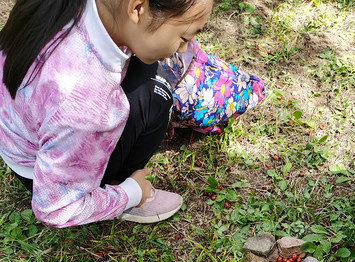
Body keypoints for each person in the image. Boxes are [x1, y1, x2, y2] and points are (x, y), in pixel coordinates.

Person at [0, 0, 213, 228]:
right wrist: (129, 193)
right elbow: (55, 208)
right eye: (184, 38)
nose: (183, 49)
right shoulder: (84, 103)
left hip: (17, 130)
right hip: (41, 169)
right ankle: (116, 184)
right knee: (156, 94)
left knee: (147, 64)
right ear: (138, 8)